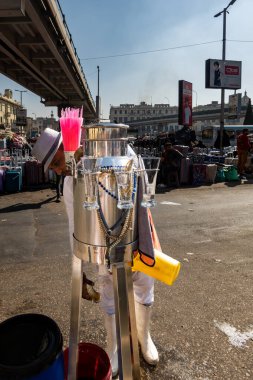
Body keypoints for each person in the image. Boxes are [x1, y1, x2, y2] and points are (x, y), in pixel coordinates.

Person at [32, 128, 159, 377]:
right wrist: (78, 269)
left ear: (68, 147)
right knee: (109, 293)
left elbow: (141, 190)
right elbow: (74, 226)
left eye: (58, 162)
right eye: (54, 168)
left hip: (133, 233)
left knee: (144, 284)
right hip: (102, 245)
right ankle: (115, 349)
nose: (59, 170)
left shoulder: (119, 151)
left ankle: (144, 338)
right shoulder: (71, 181)